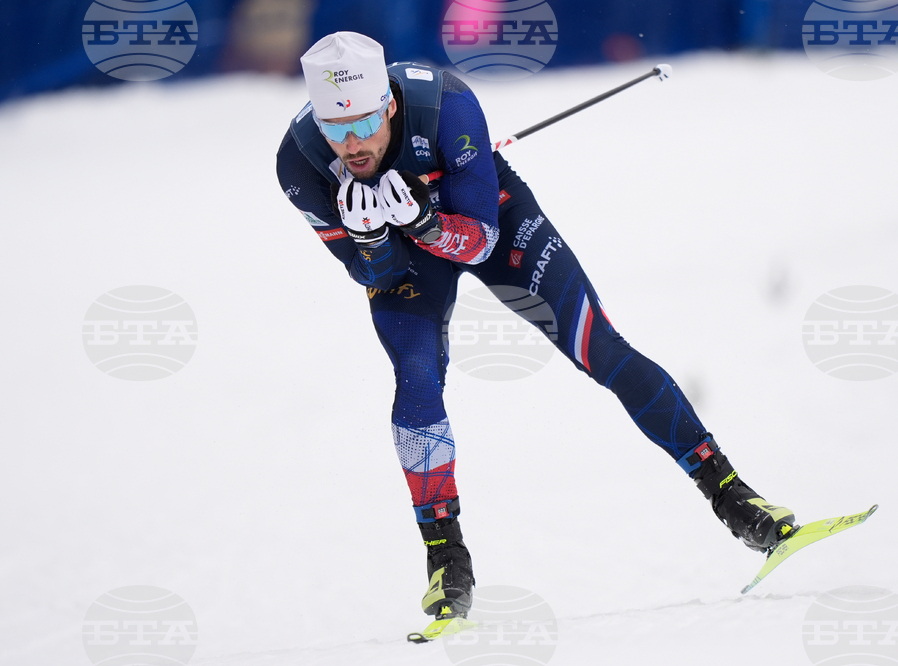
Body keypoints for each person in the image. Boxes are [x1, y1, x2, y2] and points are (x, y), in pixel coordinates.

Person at [276, 32, 795, 622]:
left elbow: (480, 241)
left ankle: (734, 498)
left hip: (484, 215)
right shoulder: (299, 162)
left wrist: (422, 219)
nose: (351, 145)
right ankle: (447, 561)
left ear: (389, 106)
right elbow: (374, 272)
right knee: (416, 380)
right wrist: (372, 240)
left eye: (363, 124)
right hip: (407, 252)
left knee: (600, 347)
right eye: (333, 128)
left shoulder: (446, 105)